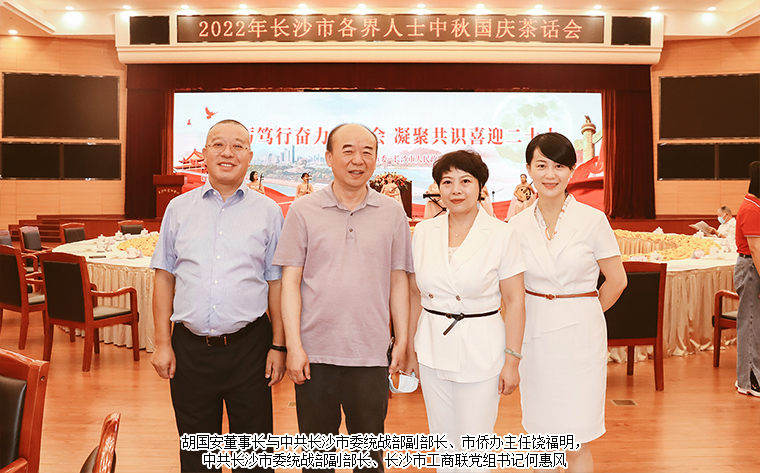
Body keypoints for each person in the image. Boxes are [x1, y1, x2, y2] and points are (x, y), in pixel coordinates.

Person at [273, 123, 413, 473]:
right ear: (329, 157)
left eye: (367, 151)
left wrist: (402, 340)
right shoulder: (303, 210)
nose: (358, 159)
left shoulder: (392, 212)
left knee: (369, 459)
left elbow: (399, 280)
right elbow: (290, 282)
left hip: (370, 354)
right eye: (348, 150)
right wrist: (294, 346)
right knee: (316, 459)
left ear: (376, 159)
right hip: (315, 354)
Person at [150, 120, 286, 473]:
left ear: (250, 156)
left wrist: (279, 345)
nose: (228, 153)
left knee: (254, 457)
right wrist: (162, 343)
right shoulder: (178, 209)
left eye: (238, 146)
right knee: (197, 457)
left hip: (249, 348)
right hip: (190, 351)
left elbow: (276, 282)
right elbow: (164, 276)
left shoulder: (269, 212)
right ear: (205, 153)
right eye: (218, 145)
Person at [508, 133, 627, 472]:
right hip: (535, 336)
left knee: (576, 440)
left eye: (559, 166)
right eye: (541, 165)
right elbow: (510, 290)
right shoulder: (515, 226)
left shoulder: (592, 220)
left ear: (572, 171)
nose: (550, 174)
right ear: (528, 168)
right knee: (541, 440)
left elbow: (617, 280)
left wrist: (584, 311)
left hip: (580, 340)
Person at [406, 150, 525, 472]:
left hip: (481, 347)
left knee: (474, 446)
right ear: (438, 188)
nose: (456, 190)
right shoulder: (424, 232)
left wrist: (512, 360)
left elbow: (515, 301)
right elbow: (415, 293)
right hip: (432, 346)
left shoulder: (502, 234)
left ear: (480, 187)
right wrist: (410, 348)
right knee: (443, 442)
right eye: (447, 182)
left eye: (465, 181)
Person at [733, 161, 760, 397]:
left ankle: (748, 375)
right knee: (750, 323)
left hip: (752, 266)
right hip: (751, 267)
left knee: (754, 323)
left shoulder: (754, 205)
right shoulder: (751, 208)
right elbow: (755, 248)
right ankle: (749, 380)